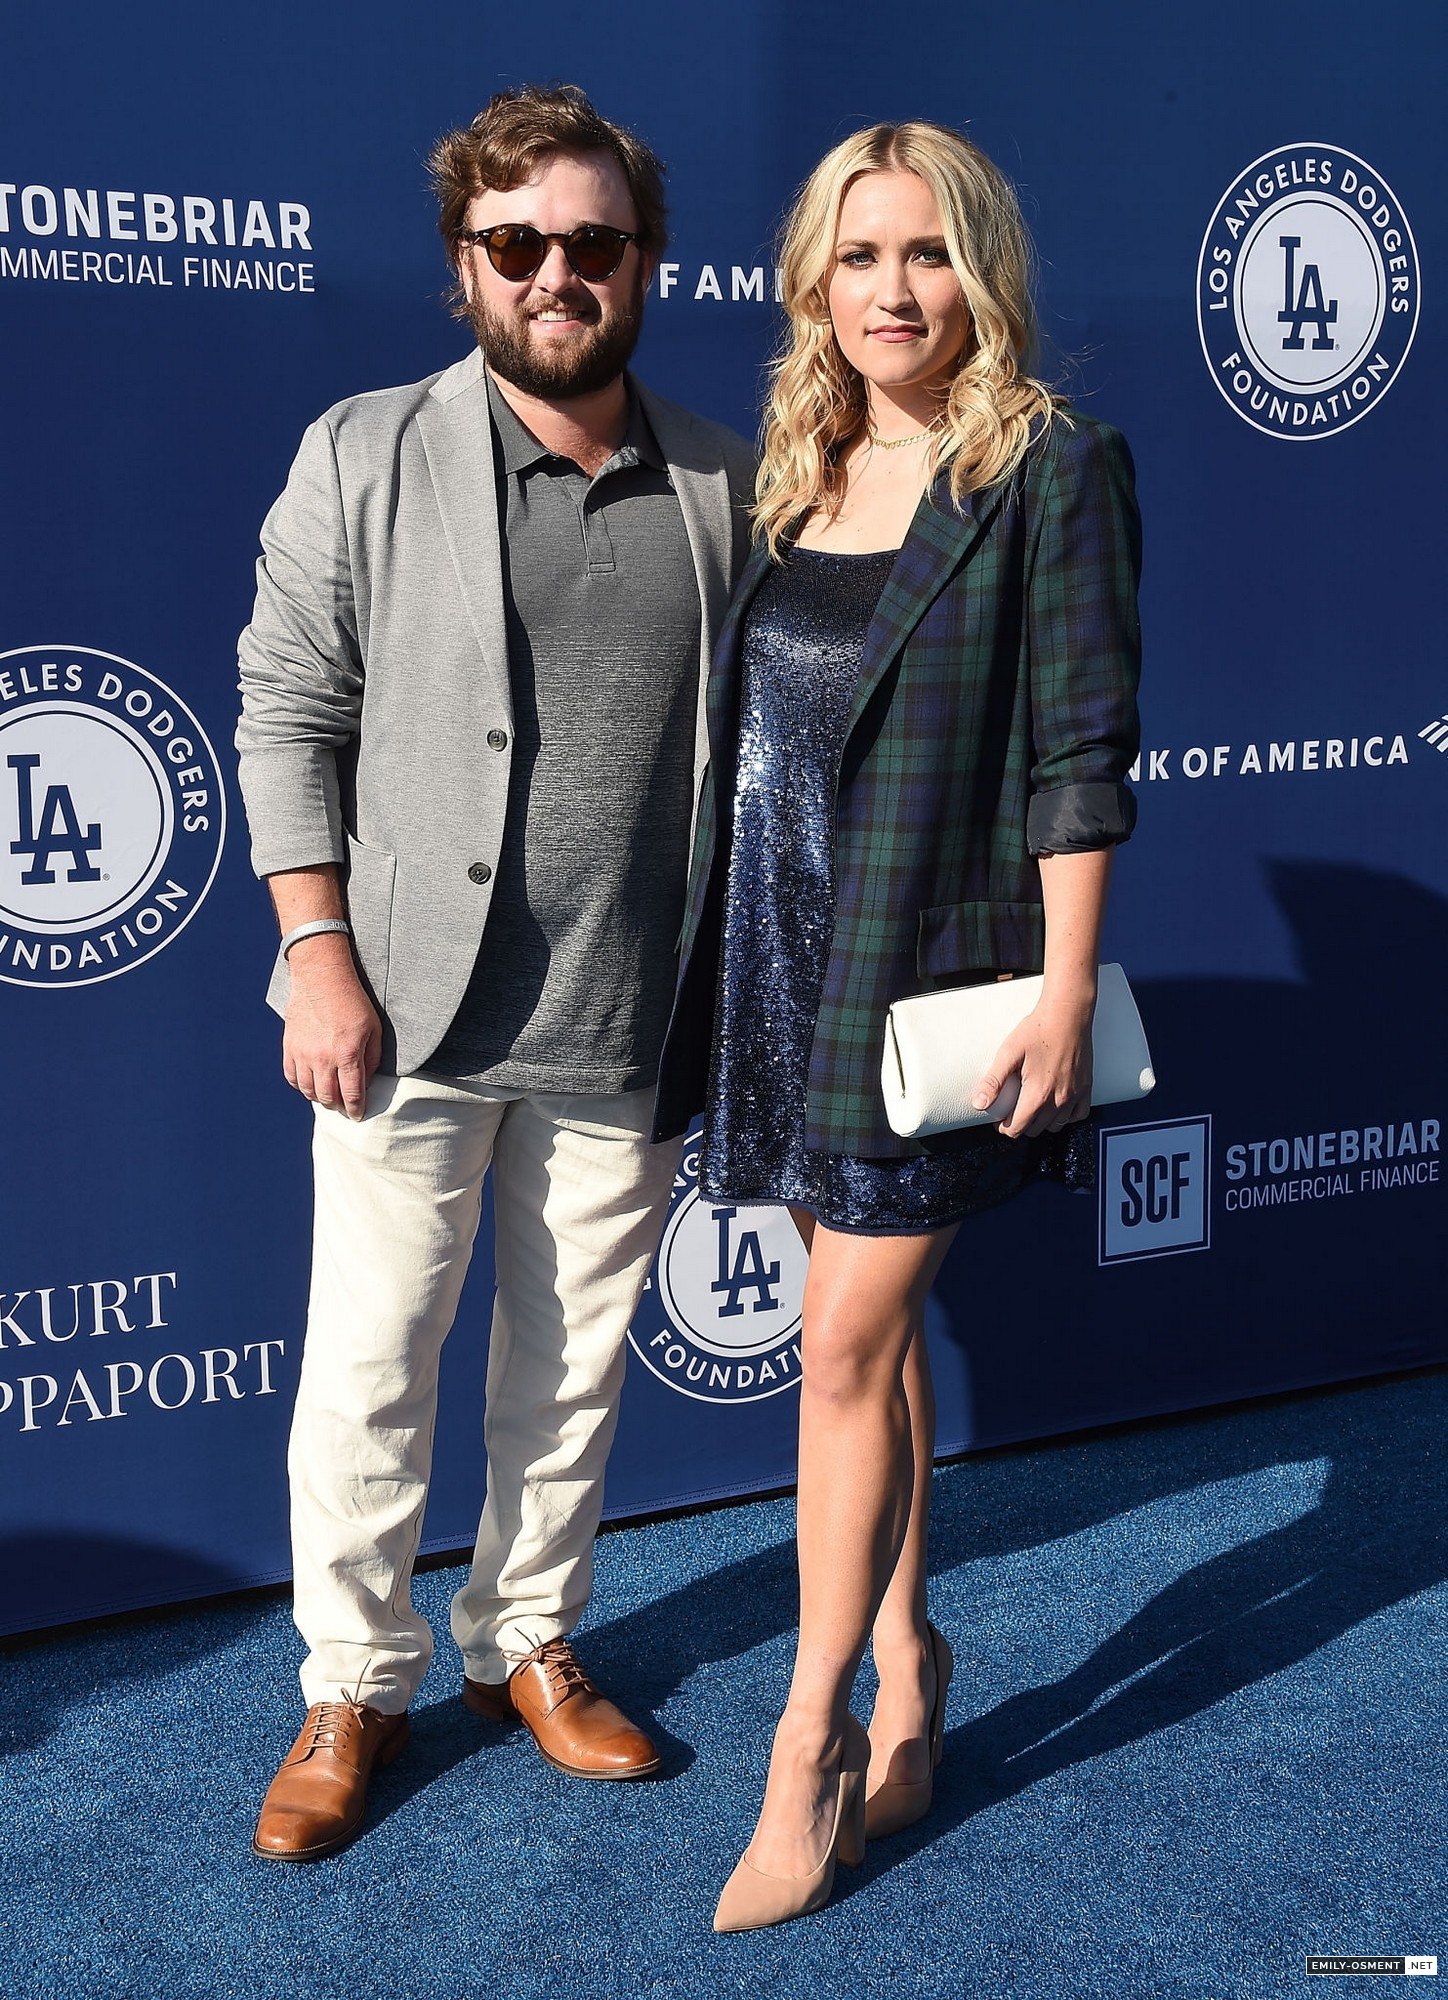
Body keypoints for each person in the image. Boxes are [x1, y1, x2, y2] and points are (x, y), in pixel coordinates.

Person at [235, 83, 754, 1862]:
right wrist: (316, 948)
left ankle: (523, 1642)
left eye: (593, 244)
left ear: (645, 261)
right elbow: (288, 713)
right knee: (375, 1360)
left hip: (632, 1012)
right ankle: (351, 1682)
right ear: (466, 262)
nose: (558, 274)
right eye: (519, 244)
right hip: (407, 1007)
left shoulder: (723, 477)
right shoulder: (363, 451)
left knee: (574, 1367)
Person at [653, 119, 1142, 1930]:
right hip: (780, 965)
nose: (892, 292)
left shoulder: (1050, 472)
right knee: (863, 1345)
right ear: (814, 281)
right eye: (860, 258)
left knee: (844, 1350)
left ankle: (810, 1740)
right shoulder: (797, 465)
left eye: (928, 254)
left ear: (981, 270)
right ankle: (918, 1659)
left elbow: (1081, 750)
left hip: (928, 975)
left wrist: (1068, 983)